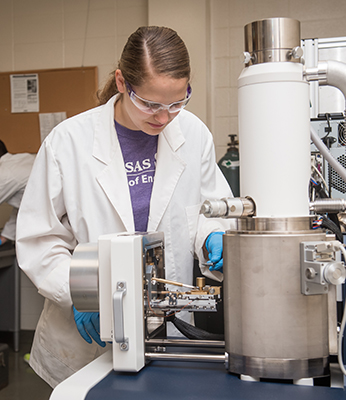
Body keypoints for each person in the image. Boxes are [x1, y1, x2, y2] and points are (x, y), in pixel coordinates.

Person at [16, 26, 234, 388]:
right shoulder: (68, 143)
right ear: (121, 82)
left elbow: (206, 212)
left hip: (169, 328)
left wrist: (215, 237)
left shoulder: (194, 134)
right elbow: (40, 240)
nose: (163, 118)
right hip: (84, 342)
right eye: (149, 103)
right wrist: (80, 292)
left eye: (177, 103)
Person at [0, 140, 35, 245]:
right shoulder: (25, 158)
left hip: (49, 229)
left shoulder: (5, 174)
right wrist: (4, 237)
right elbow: (25, 205)